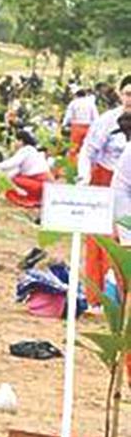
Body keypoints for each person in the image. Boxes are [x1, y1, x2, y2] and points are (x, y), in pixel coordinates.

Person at [78, 77, 131, 296]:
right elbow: (88, 151)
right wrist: (84, 177)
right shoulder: (107, 121)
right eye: (128, 94)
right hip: (105, 180)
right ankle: (96, 295)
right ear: (120, 94)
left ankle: (121, 296)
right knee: (100, 242)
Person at [0, 129, 55, 209]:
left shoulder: (27, 150)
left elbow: (11, 163)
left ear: (21, 141)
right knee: (13, 178)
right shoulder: (32, 151)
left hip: (40, 183)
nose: (14, 143)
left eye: (15, 141)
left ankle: (28, 200)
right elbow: (15, 170)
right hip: (43, 183)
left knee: (13, 181)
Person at [64, 82, 99, 162]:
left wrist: (64, 124)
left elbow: (68, 116)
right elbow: (96, 117)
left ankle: (72, 164)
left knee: (74, 147)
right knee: (87, 147)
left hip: (76, 127)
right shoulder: (90, 103)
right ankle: (86, 164)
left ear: (76, 95)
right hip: (88, 127)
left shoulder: (73, 103)